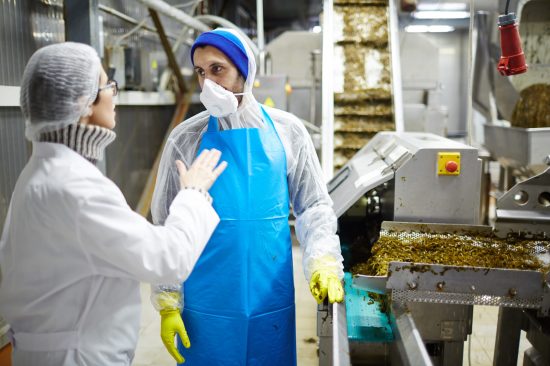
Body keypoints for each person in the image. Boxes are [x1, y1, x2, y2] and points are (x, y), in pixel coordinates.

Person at [0, 42, 227, 366]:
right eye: (108, 85)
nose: (114, 95)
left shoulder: (39, 173)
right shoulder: (75, 187)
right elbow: (167, 258)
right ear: (83, 102)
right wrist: (193, 193)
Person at [151, 28, 345, 365]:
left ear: (245, 71)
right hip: (207, 300)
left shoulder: (288, 132)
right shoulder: (186, 139)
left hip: (270, 295)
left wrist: (323, 261)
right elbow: (166, 221)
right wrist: (168, 300)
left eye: (217, 69)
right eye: (200, 72)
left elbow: (313, 206)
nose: (208, 83)